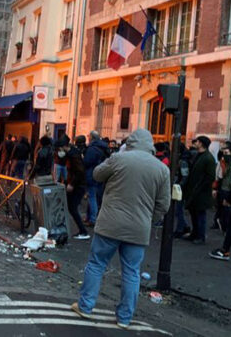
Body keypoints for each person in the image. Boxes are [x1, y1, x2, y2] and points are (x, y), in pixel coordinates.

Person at [71, 129, 170, 328]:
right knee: (132, 272)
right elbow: (163, 205)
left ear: (131, 142)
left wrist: (117, 156)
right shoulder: (161, 169)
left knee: (97, 264)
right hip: (138, 228)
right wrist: (149, 220)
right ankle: (124, 318)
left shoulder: (119, 159)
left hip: (110, 224)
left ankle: (86, 306)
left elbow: (98, 175)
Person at [56, 136, 90, 240]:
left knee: (72, 207)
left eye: (60, 148)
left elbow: (79, 171)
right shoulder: (72, 154)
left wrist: (72, 184)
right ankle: (64, 227)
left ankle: (83, 231)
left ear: (64, 147)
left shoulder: (74, 156)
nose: (59, 150)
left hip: (78, 185)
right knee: (68, 206)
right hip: (76, 184)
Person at [184, 136, 216, 244]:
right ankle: (194, 233)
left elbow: (210, 176)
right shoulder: (199, 155)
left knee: (200, 214)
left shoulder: (208, 158)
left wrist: (201, 187)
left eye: (197, 142)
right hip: (194, 189)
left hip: (201, 191)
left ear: (201, 143)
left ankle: (200, 236)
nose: (195, 143)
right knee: (194, 213)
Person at [84, 131, 109, 227]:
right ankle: (89, 216)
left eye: (89, 136)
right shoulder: (104, 147)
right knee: (94, 196)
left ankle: (93, 218)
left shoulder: (92, 149)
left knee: (92, 197)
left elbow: (87, 162)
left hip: (92, 174)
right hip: (101, 174)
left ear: (92, 138)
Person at [212, 145, 231, 232]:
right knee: (223, 207)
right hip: (223, 188)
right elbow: (217, 177)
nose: (225, 155)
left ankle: (224, 223)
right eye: (223, 153)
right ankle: (222, 224)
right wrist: (214, 188)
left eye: (226, 153)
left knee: (229, 208)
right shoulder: (221, 163)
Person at [173, 142, 192, 238]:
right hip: (183, 187)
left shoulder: (183, 161)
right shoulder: (185, 158)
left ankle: (181, 228)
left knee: (179, 209)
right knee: (178, 209)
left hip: (181, 188)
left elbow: (184, 175)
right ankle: (184, 226)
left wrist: (179, 186)